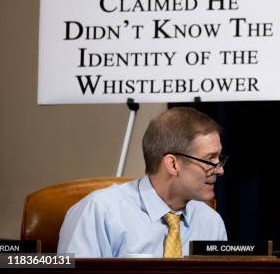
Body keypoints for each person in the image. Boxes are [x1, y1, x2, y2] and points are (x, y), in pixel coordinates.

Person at [58, 107, 228, 257]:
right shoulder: (99, 211)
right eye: (210, 159)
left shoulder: (211, 223)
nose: (220, 170)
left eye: (218, 158)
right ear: (173, 164)